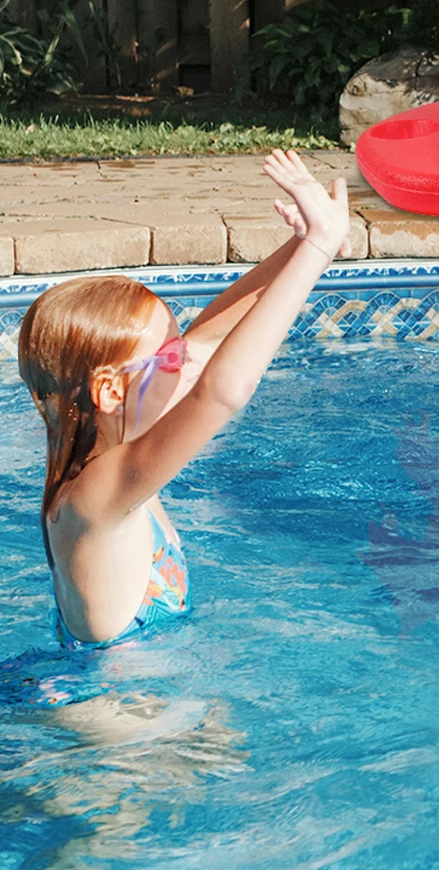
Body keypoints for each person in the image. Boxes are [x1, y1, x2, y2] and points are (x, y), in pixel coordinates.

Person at [15, 151, 351, 649]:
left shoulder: (98, 441)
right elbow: (223, 390)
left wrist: (299, 246)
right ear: (109, 391)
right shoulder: (97, 493)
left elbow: (209, 343)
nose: (187, 362)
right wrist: (320, 245)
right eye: (169, 359)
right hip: (119, 716)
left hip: (137, 695)